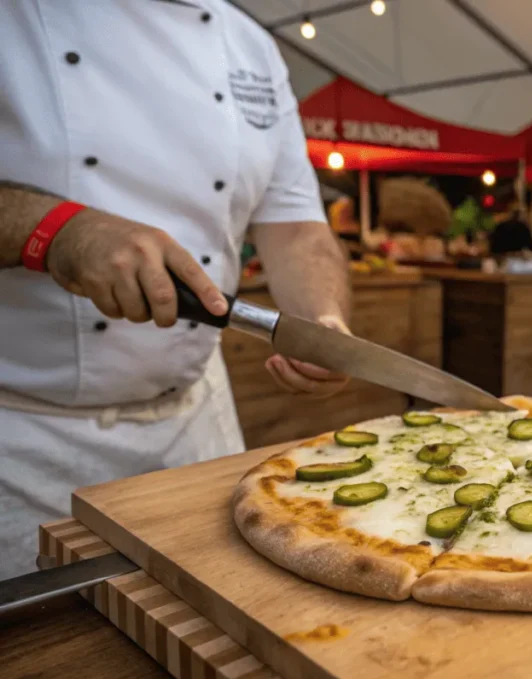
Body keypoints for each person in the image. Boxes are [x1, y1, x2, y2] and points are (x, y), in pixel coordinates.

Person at [0, 3, 353, 579]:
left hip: (196, 431)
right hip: (19, 444)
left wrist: (321, 320)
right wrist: (56, 229)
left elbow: (295, 226)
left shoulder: (250, 44)